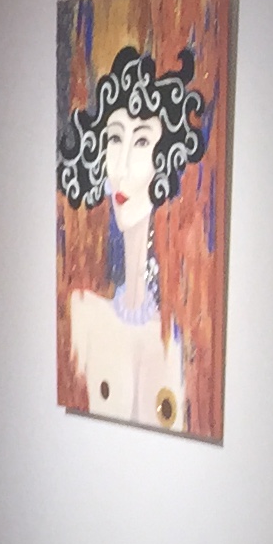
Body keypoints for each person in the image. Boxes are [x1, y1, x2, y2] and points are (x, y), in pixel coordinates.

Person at [56, 42, 207, 429]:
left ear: (168, 158)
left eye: (140, 141)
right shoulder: (82, 313)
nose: (121, 167)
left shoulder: (179, 343)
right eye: (114, 139)